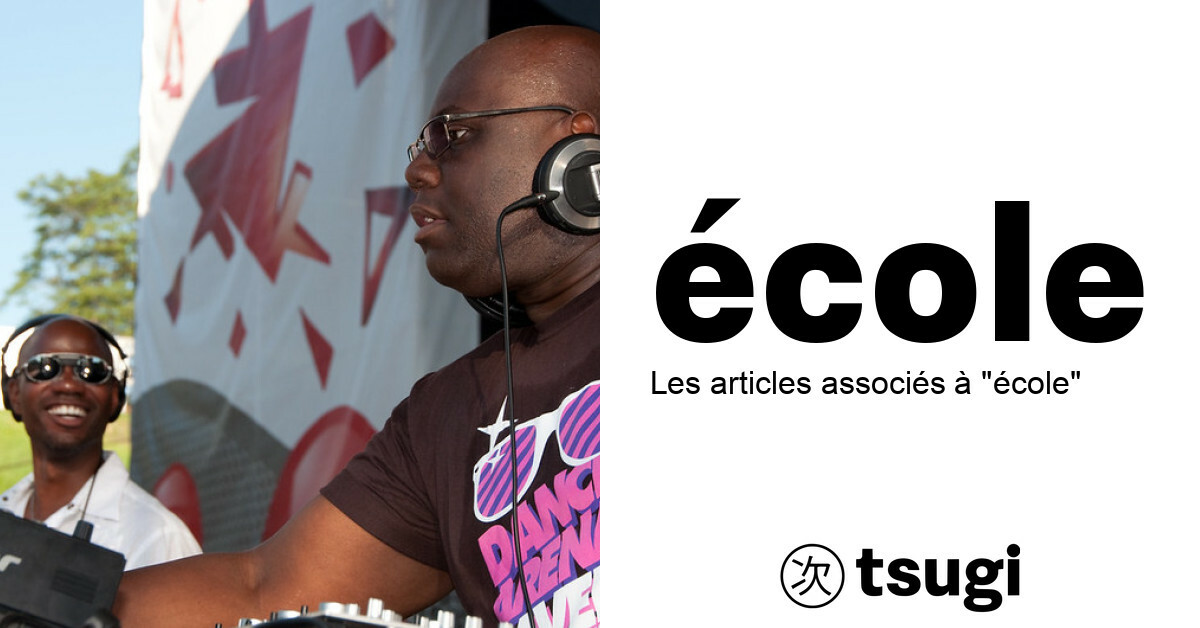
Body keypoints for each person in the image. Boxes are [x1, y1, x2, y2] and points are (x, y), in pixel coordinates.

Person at [115, 24, 599, 628]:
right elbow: (264, 588)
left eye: (451, 136)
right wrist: (41, 589)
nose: (417, 171)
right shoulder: (443, 412)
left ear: (579, 152)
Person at [0, 315, 202, 570]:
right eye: (45, 367)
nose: (69, 385)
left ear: (115, 398)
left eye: (92, 371)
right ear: (14, 394)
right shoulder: (6, 508)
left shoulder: (159, 538)